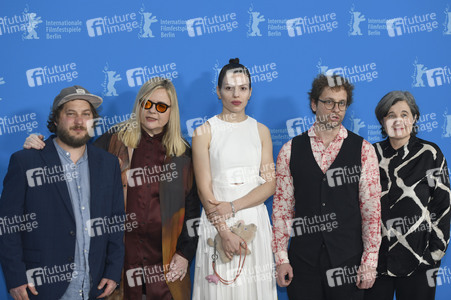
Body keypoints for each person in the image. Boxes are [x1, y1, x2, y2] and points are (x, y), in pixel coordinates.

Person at [22, 78, 200, 300]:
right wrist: (42, 145)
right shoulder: (113, 140)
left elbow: (193, 211)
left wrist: (184, 254)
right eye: (147, 103)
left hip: (165, 266)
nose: (153, 111)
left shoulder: (183, 153)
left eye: (161, 106)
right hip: (118, 265)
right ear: (139, 104)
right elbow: (74, 149)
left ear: (171, 112)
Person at [0, 85, 125, 300]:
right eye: (71, 114)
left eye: (86, 115)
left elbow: (114, 222)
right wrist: (15, 277)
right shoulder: (26, 161)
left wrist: (113, 271)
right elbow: (8, 224)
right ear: (56, 120)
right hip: (41, 287)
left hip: (93, 287)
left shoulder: (109, 164)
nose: (79, 121)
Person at [272, 74, 382, 300]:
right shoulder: (290, 150)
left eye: (342, 103)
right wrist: (281, 258)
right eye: (329, 102)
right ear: (314, 104)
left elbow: (371, 211)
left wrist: (369, 261)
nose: (336, 109)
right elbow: (282, 210)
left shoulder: (364, 150)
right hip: (303, 263)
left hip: (347, 262)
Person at [192, 58, 277, 299]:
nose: (235, 94)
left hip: (253, 222)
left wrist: (233, 206)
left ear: (250, 92)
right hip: (216, 222)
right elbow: (204, 187)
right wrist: (224, 232)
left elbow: (270, 184)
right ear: (218, 92)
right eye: (228, 88)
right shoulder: (203, 132)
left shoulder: (261, 131)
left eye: (242, 88)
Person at [364, 91, 451, 300]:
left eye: (404, 114)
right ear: (382, 120)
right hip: (376, 262)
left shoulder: (431, 154)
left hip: (419, 260)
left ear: (414, 118)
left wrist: (434, 255)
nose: (398, 120)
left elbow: (443, 206)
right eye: (391, 115)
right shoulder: (370, 153)